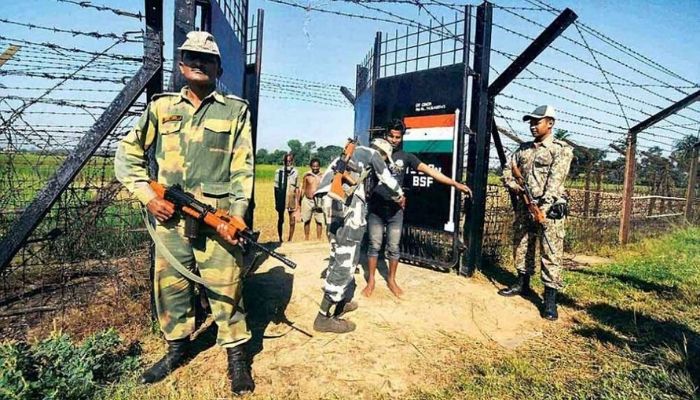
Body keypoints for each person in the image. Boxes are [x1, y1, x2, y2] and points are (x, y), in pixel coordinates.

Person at [114, 31, 256, 395]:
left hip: (216, 218)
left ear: (218, 67)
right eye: (190, 56)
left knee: (227, 288)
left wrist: (237, 214)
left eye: (205, 58)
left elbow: (243, 169)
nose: (197, 62)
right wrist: (147, 195)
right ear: (180, 65)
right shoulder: (161, 107)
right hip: (170, 220)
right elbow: (127, 155)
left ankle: (237, 357)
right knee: (171, 288)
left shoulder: (235, 109)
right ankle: (177, 348)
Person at [362, 120, 472, 298]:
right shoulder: (374, 155)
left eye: (398, 137)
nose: (394, 140)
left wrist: (455, 183)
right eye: (391, 136)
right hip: (376, 209)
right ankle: (372, 280)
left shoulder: (407, 157)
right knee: (374, 245)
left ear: (402, 138)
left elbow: (430, 171)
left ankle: (391, 280)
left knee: (394, 247)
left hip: (395, 210)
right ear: (385, 135)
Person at [313, 138, 404, 333]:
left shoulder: (350, 154)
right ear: (381, 153)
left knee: (338, 251)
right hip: (345, 204)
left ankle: (339, 302)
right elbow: (387, 178)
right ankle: (323, 317)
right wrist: (399, 194)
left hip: (330, 201)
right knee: (347, 256)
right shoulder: (372, 154)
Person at [498, 105, 573, 321]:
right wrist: (515, 186)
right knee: (522, 245)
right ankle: (522, 283)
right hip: (524, 206)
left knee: (550, 251)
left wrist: (542, 208)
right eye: (530, 122)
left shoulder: (561, 149)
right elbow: (507, 170)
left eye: (536, 122)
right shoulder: (523, 149)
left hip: (548, 210)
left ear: (550, 123)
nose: (532, 126)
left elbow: (555, 182)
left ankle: (550, 299)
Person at [273, 153, 300, 242]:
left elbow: (297, 188)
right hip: (281, 199)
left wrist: (298, 203)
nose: (288, 163)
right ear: (283, 162)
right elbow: (276, 188)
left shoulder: (295, 172)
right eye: (286, 161)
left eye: (290, 161)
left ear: (293, 161)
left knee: (292, 221)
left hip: (291, 200)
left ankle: (290, 240)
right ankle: (280, 239)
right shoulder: (279, 172)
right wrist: (277, 203)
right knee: (281, 220)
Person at [299, 158, 324, 240]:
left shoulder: (322, 176)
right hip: (307, 200)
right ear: (311, 166)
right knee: (306, 220)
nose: (315, 168)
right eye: (313, 166)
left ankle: (319, 239)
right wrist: (299, 200)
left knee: (319, 221)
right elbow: (303, 188)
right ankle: (306, 238)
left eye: (317, 166)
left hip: (318, 201)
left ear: (319, 166)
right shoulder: (307, 175)